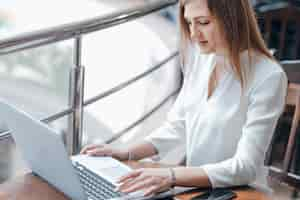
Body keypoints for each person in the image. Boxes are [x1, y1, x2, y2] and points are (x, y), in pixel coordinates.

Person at [81, 0, 287, 197]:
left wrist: (171, 176)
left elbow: (245, 167)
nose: (194, 34)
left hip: (241, 192)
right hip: (197, 189)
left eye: (203, 22)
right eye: (189, 23)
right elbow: (177, 126)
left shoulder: (268, 76)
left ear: (232, 18)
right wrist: (125, 153)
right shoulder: (202, 58)